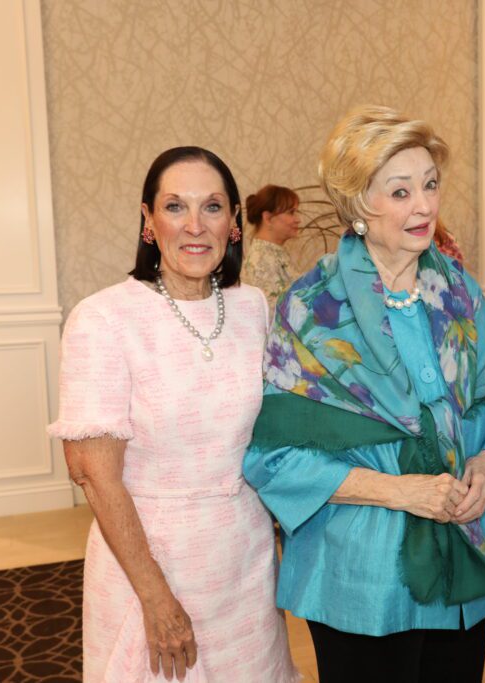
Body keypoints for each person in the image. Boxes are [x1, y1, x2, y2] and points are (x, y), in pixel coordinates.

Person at [243, 106, 485, 683]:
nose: (423, 206)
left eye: (429, 185)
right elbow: (276, 456)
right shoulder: (312, 306)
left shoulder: (459, 291)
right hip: (361, 567)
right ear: (357, 207)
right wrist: (403, 493)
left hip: (463, 546)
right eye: (400, 192)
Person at [48, 147, 297, 682]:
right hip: (151, 560)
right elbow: (93, 472)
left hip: (245, 558)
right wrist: (155, 597)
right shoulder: (105, 319)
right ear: (147, 219)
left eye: (212, 207)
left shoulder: (253, 307)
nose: (194, 226)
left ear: (234, 221)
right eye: (175, 207)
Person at [243, 184, 301, 316]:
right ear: (268, 218)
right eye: (291, 212)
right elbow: (274, 316)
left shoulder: (275, 252)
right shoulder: (260, 260)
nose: (298, 220)